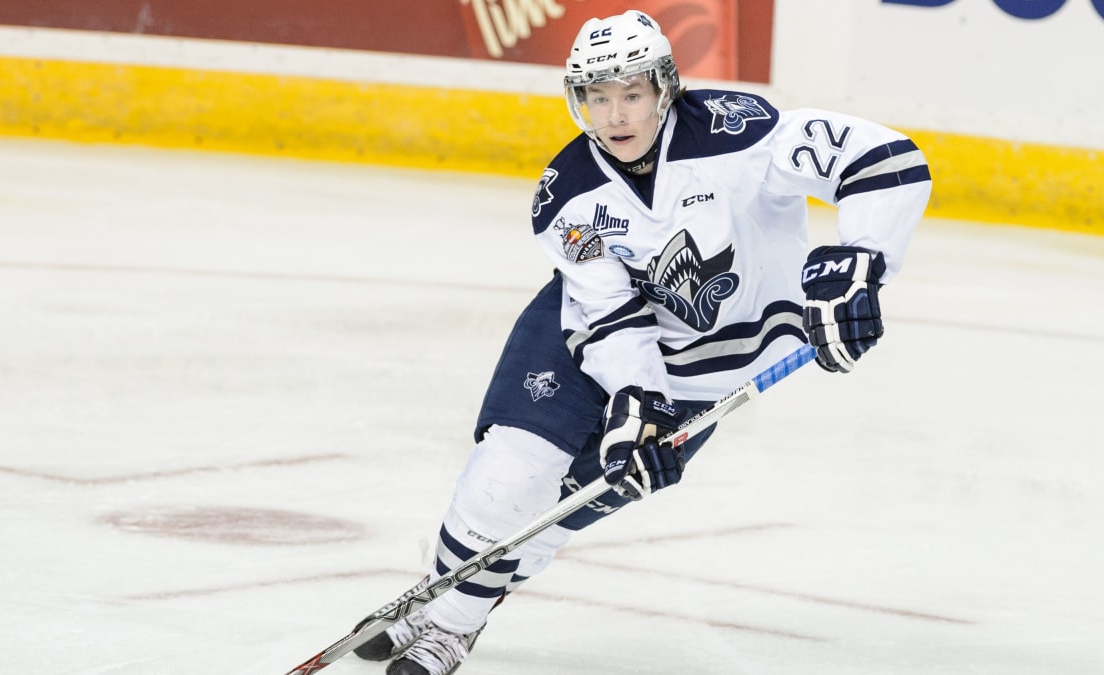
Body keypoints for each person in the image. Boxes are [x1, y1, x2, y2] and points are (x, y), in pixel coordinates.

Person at [356, 9, 931, 675]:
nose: (615, 115)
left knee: (563, 509)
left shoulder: (736, 134)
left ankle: (453, 602)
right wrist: (638, 397)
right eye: (598, 97)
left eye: (631, 94)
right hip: (582, 332)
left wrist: (858, 264)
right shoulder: (568, 194)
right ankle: (450, 622)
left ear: (665, 88)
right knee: (507, 477)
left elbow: (884, 160)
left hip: (708, 370)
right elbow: (607, 312)